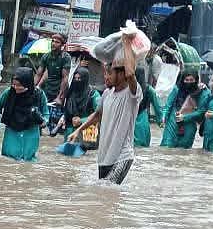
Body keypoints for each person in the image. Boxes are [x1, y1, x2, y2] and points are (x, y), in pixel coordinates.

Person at [69, 54, 142, 185]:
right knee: (105, 197)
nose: (105, 77)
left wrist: (126, 40)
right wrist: (78, 131)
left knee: (108, 188)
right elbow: (97, 115)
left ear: (121, 74)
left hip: (122, 156)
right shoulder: (107, 94)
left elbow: (131, 75)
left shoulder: (132, 94)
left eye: (109, 73)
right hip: (104, 156)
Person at [0, 66, 48, 161]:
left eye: (19, 85)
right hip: (12, 129)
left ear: (27, 84)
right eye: (14, 85)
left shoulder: (39, 95)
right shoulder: (8, 93)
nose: (16, 88)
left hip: (31, 131)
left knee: (29, 161)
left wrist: (44, 122)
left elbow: (46, 114)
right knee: (7, 159)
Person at [160, 69, 208, 149]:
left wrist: (185, 117)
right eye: (186, 80)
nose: (189, 82)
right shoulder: (177, 89)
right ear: (182, 80)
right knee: (166, 147)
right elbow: (168, 106)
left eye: (191, 80)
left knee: (184, 151)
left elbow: (202, 111)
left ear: (196, 80)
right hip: (173, 122)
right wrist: (163, 117)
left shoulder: (201, 92)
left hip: (189, 125)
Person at [56, 62, 99, 140]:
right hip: (70, 130)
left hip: (87, 133)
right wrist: (63, 118)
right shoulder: (70, 92)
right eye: (75, 78)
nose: (77, 81)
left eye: (79, 79)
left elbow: (99, 114)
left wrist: (82, 120)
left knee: (85, 151)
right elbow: (67, 110)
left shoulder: (93, 94)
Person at [133, 65, 164, 147]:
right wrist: (160, 121)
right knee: (142, 144)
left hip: (131, 117)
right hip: (142, 118)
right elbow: (157, 107)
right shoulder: (149, 89)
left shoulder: (128, 88)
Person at [36, 33, 70, 103]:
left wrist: (59, 96)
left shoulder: (65, 57)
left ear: (62, 45)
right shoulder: (46, 56)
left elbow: (65, 78)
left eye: (57, 42)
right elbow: (38, 74)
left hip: (60, 89)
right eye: (53, 41)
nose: (53, 44)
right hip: (48, 87)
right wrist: (33, 88)